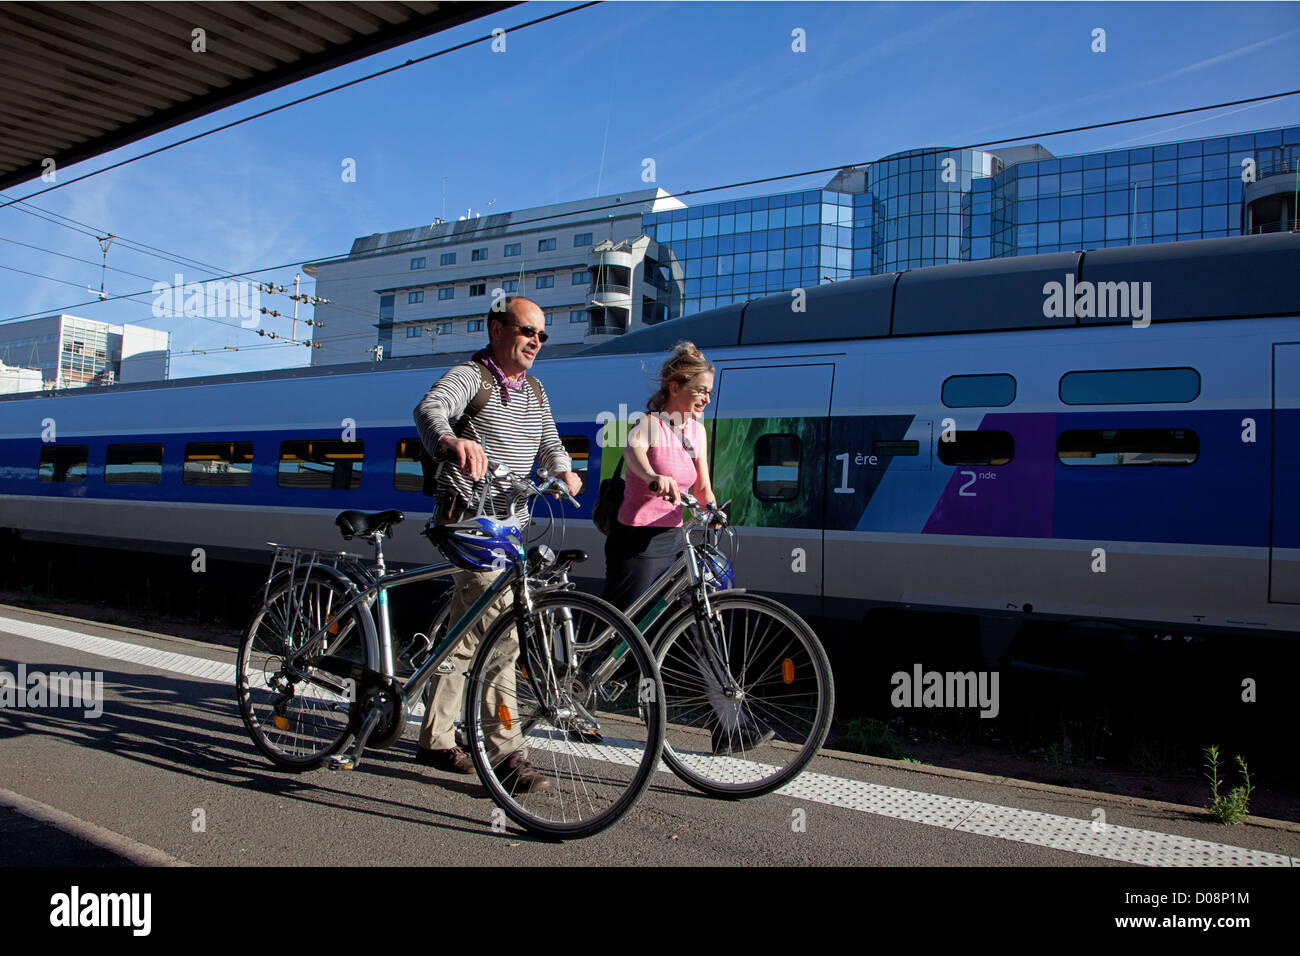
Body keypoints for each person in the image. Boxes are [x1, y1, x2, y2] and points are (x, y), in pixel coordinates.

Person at [413, 296, 581, 792]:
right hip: (468, 522)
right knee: (504, 634)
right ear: (495, 328)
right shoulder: (472, 375)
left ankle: (437, 737)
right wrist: (452, 443)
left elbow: (549, 441)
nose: (536, 342)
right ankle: (507, 753)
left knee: (468, 634)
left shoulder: (534, 389)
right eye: (527, 331)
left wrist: (564, 469)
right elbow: (430, 409)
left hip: (510, 527)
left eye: (542, 335)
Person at [601, 341, 772, 755]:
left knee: (702, 626)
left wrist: (713, 509)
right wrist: (653, 476)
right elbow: (634, 454)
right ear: (675, 385)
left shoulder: (698, 432)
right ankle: (580, 685)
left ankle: (730, 725)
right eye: (700, 391)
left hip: (676, 539)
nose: (706, 400)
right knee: (621, 628)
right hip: (636, 539)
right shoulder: (649, 423)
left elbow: (703, 485)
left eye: (710, 393)